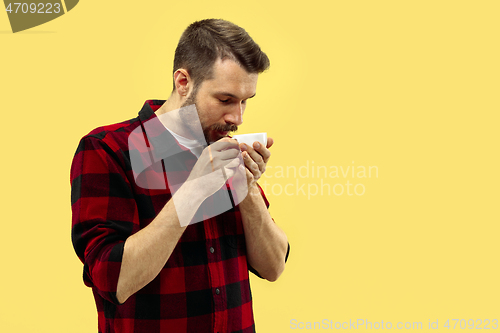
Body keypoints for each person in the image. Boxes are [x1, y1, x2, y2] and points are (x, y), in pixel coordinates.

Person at [70, 19, 290, 333]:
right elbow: (113, 281)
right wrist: (192, 191)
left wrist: (247, 187)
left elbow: (274, 266)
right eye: (225, 100)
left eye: (245, 102)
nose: (237, 118)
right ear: (183, 82)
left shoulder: (221, 145)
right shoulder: (107, 150)